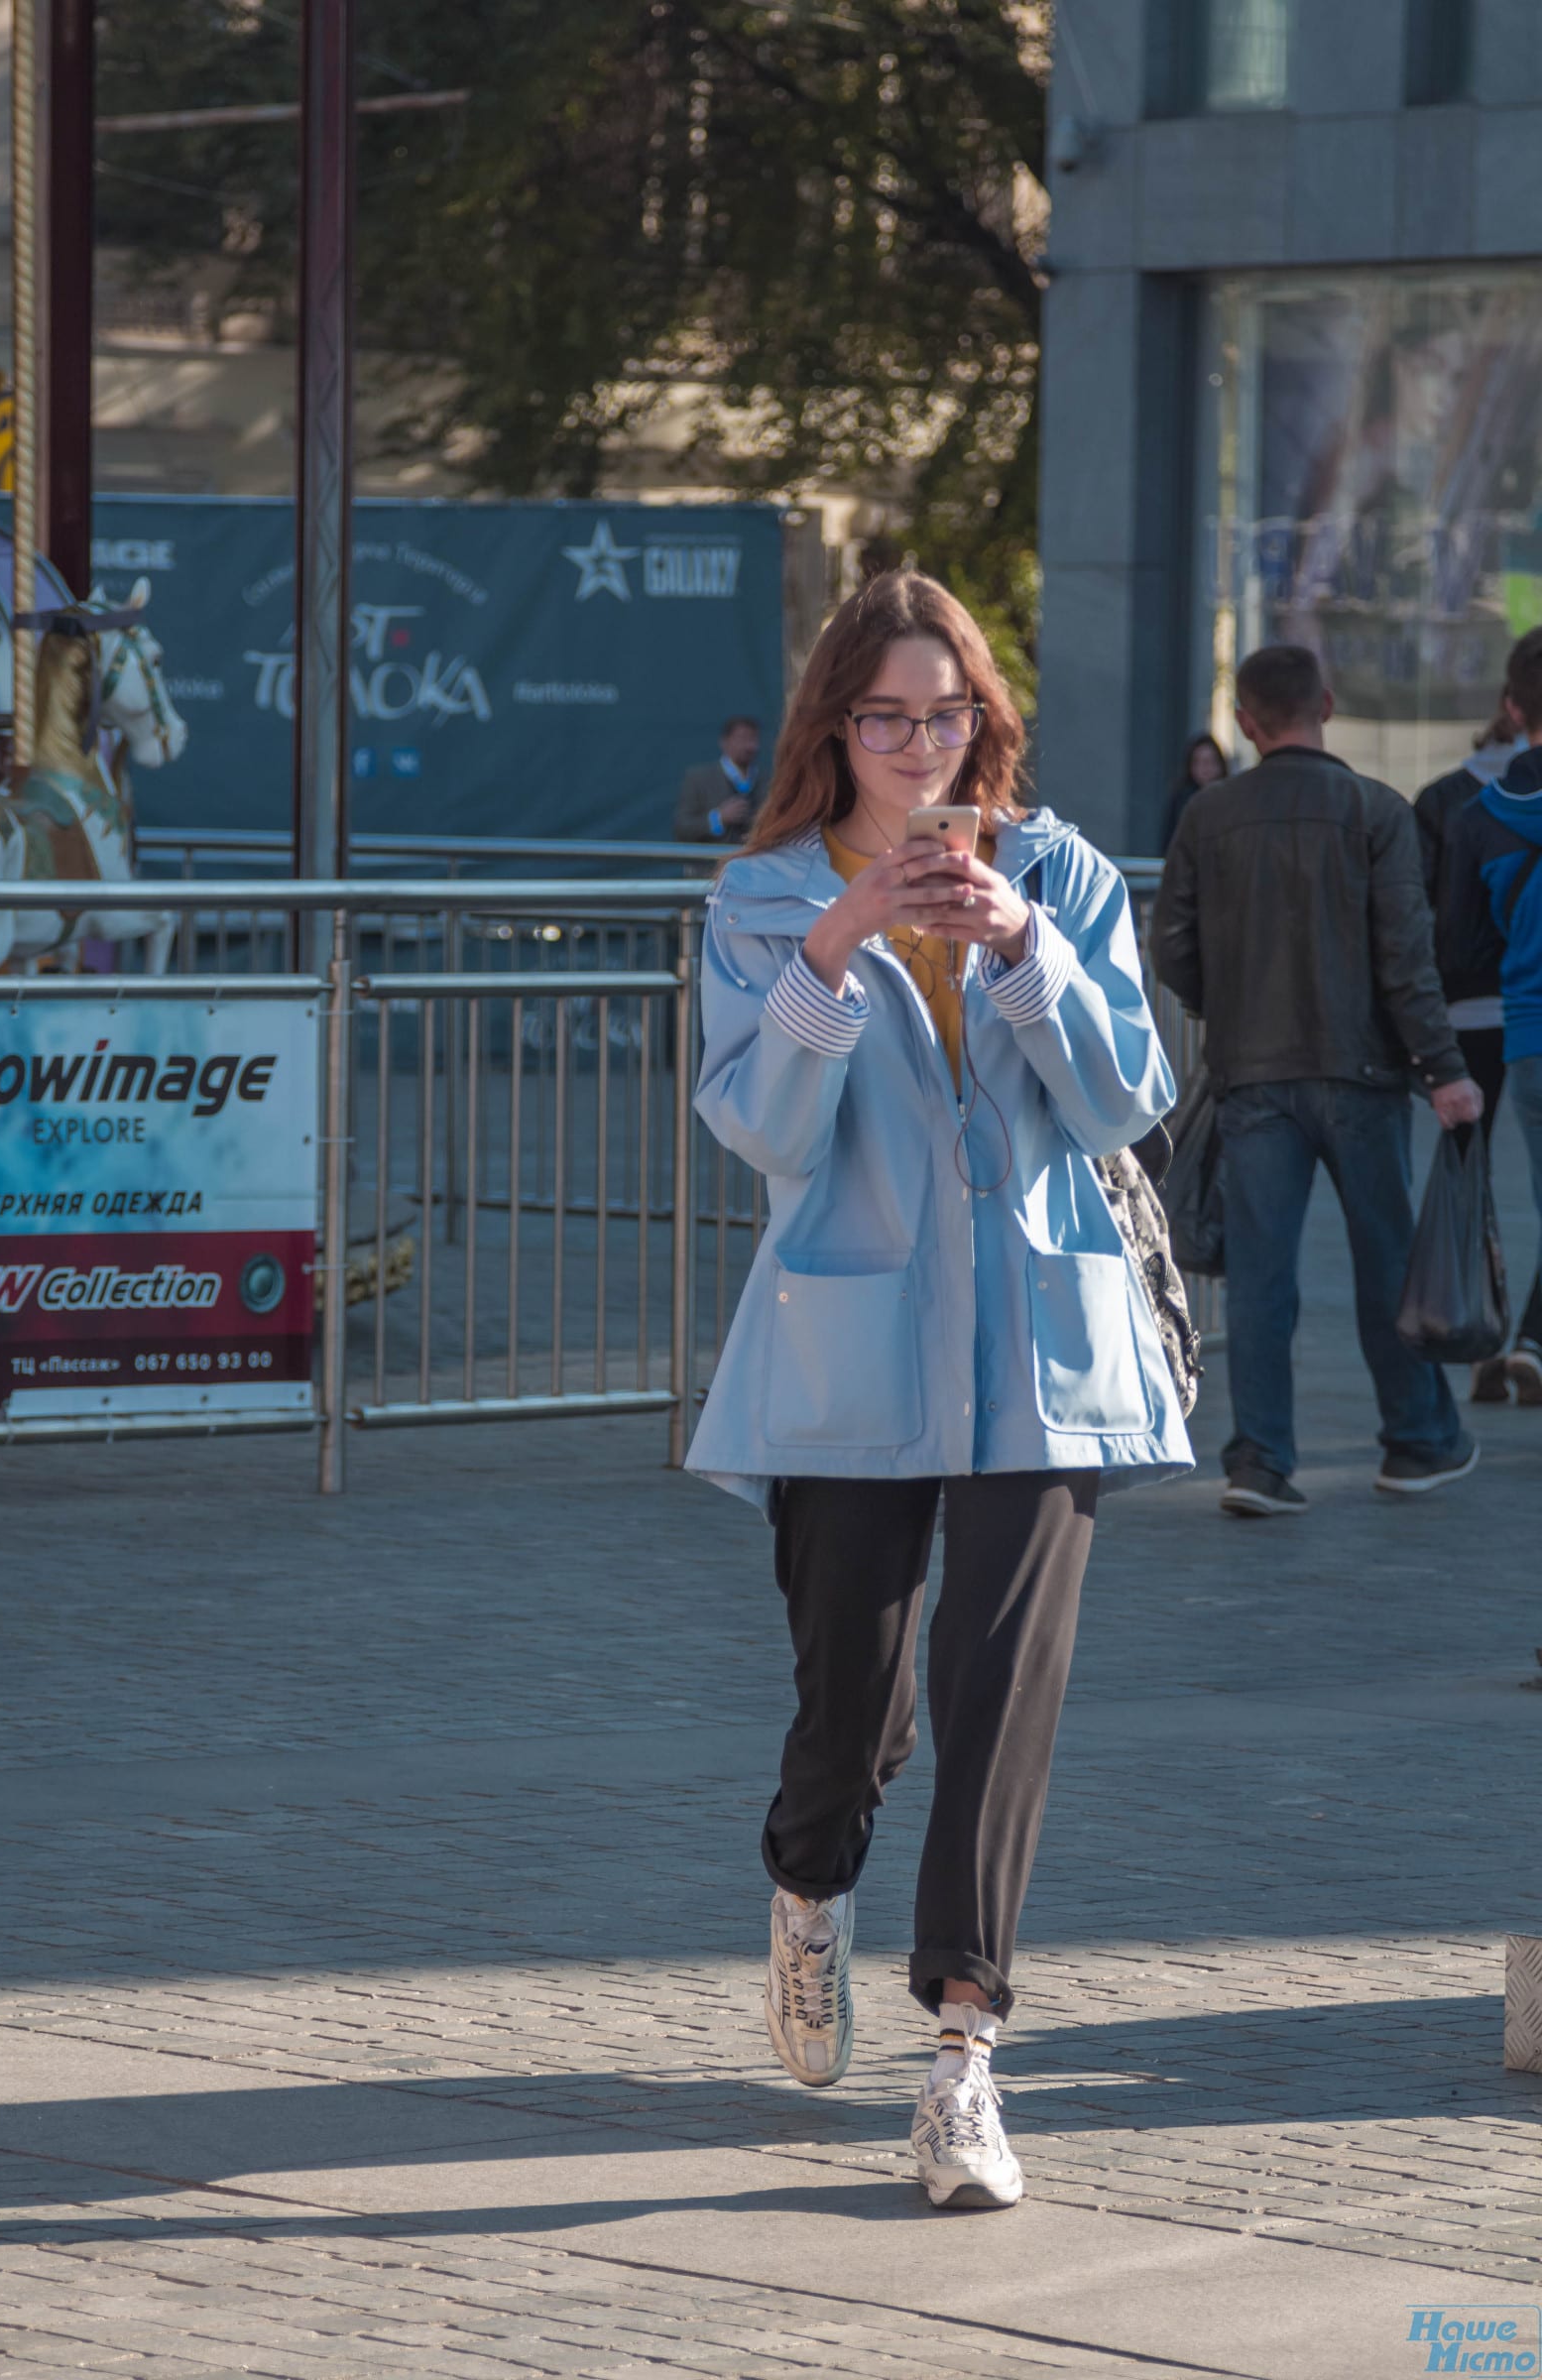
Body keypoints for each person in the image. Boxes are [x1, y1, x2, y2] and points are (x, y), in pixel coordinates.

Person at [685, 570, 1191, 2212]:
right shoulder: (762, 900)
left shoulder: (1063, 878)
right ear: (840, 725)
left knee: (999, 1698)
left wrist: (1028, 949)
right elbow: (760, 1132)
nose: (919, 747)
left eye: (947, 713)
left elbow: (1127, 1099)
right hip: (852, 1354)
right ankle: (809, 1877)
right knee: (863, 1703)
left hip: (1042, 1351)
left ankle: (964, 2062)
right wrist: (835, 951)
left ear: (987, 721)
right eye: (888, 716)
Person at [1151, 643, 1483, 1518]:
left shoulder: (1207, 816)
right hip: (1365, 1074)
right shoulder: (1377, 810)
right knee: (1386, 1265)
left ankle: (1259, 1462)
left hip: (1252, 1077)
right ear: (1327, 704)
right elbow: (1405, 959)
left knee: (1261, 1280)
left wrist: (1224, 1007)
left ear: (1247, 723)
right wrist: (1444, 1072)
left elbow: (1172, 950)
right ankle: (1415, 1443)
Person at [1416, 662, 1542, 1402]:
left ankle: (1493, 1335)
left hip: (1519, 1035)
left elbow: (1456, 944)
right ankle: (1528, 1340)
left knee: (1480, 1184)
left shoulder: (1476, 814)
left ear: (1512, 708)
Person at [673, 715, 762, 843]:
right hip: (710, 861)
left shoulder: (768, 781)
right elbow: (681, 829)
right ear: (724, 742)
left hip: (752, 860)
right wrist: (719, 818)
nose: (749, 746)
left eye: (753, 739)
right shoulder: (699, 778)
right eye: (742, 739)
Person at [1162, 732, 1229, 852]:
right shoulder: (1181, 800)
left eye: (1211, 761)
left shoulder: (1231, 799)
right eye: (1199, 762)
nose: (1206, 769)